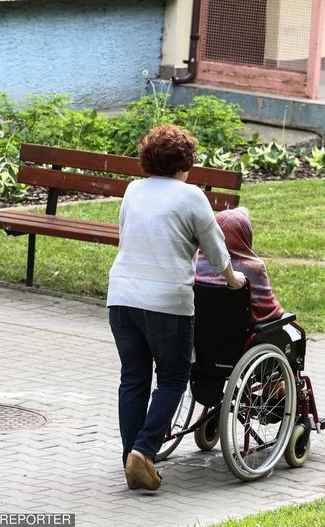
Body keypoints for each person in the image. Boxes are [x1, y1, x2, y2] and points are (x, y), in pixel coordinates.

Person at [107, 124, 245, 492]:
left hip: (121, 297)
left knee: (133, 379)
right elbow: (215, 249)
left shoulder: (133, 190)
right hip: (166, 301)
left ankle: (131, 458)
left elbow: (126, 234)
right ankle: (143, 450)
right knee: (172, 377)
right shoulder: (191, 196)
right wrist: (232, 279)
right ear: (184, 164)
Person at [196, 207, 283, 323]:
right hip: (240, 335)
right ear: (246, 233)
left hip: (202, 330)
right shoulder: (255, 268)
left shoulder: (196, 262)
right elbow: (269, 310)